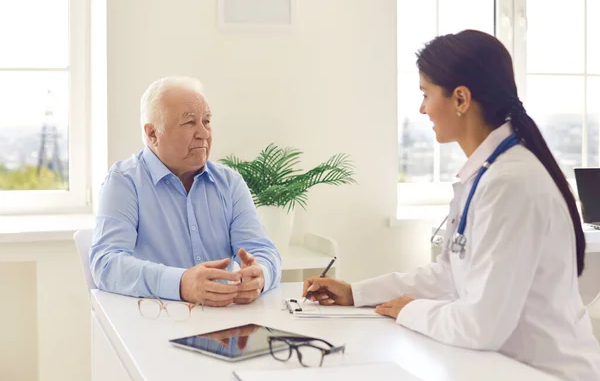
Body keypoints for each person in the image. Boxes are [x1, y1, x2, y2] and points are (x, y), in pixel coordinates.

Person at [302, 30, 600, 380]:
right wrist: (357, 292)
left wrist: (410, 311)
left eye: (426, 94)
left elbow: (481, 326)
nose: (422, 108)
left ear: (460, 99)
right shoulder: (486, 175)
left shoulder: (510, 184)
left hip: (543, 372)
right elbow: (448, 274)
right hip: (502, 365)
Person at [90, 76, 281, 305]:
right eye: (189, 123)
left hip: (225, 326)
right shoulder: (124, 182)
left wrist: (261, 276)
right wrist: (181, 284)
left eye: (207, 121)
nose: (203, 133)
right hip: (154, 324)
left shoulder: (230, 183)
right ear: (152, 134)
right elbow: (106, 264)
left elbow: (264, 251)